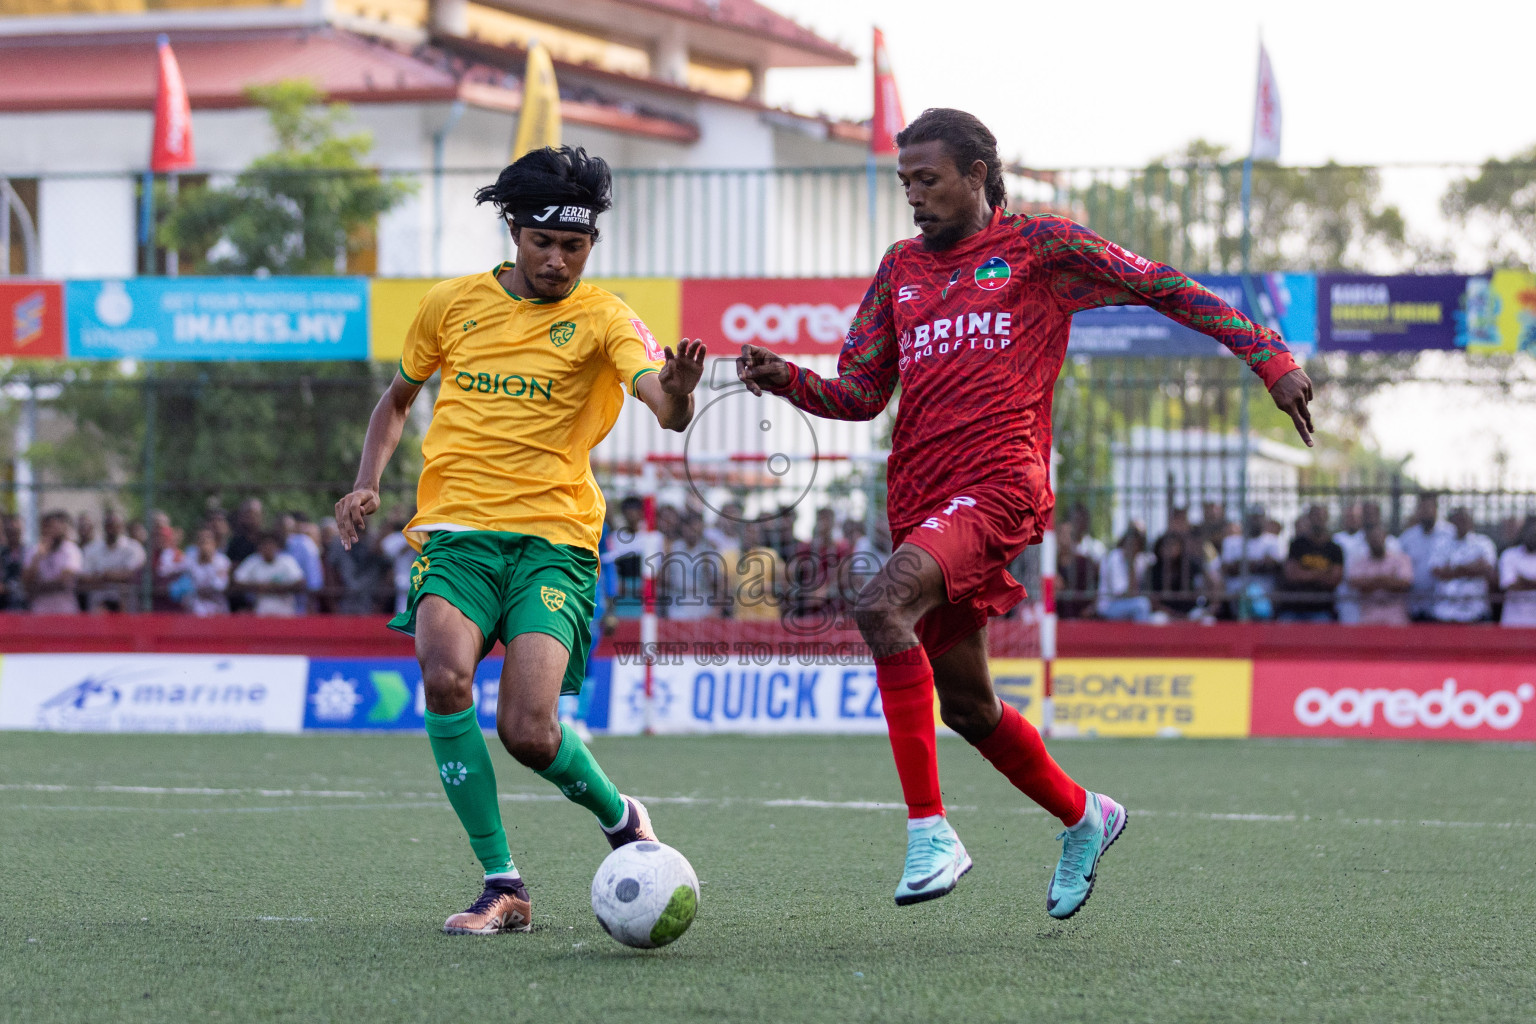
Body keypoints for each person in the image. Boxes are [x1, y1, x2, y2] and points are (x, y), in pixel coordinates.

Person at [736, 107, 1313, 917]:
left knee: (880, 603)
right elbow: (860, 395)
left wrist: (1267, 354)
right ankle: (1086, 816)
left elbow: (1162, 284)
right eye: (905, 181)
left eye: (928, 179)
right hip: (920, 502)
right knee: (968, 707)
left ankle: (930, 830)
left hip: (1001, 486)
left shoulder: (1040, 248)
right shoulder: (898, 270)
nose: (914, 196)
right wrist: (783, 377)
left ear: (977, 175)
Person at [334, 145, 705, 937]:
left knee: (528, 732)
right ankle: (503, 883)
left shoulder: (606, 316)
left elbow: (659, 403)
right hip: (459, 536)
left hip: (554, 542)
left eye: (574, 246)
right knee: (443, 678)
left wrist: (676, 393)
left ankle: (621, 815)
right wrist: (368, 479)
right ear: (514, 229)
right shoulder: (451, 304)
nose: (557, 259)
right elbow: (397, 400)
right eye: (544, 241)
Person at [1428, 508, 1498, 623]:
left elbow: (1486, 567)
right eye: (1458, 520)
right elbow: (1437, 571)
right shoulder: (1441, 543)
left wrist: (1454, 568)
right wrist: (1470, 567)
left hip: (1475, 611)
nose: (1461, 523)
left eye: (1464, 520)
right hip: (1445, 612)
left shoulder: (1483, 542)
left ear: (1471, 521)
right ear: (1452, 522)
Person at [1278, 505, 1344, 622]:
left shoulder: (1335, 549)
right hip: (1293, 608)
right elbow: (1291, 575)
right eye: (1315, 517)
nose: (1318, 520)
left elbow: (1334, 579)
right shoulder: (1297, 544)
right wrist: (1321, 574)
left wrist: (1304, 574)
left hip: (1322, 610)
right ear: (1309, 518)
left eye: (1321, 517)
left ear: (1326, 519)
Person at [1397, 491, 1452, 621]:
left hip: (1444, 604)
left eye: (1429, 508)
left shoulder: (1450, 534)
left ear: (1436, 509)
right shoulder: (1408, 537)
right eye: (1422, 508)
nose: (1425, 511)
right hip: (1415, 604)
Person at [1220, 510, 1285, 621]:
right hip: (1237, 591)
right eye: (1253, 518)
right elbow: (1228, 568)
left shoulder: (1273, 541)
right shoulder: (1231, 541)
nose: (1256, 522)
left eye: (1259, 518)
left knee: (1257, 594)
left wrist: (1243, 564)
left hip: (1266, 591)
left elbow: (1275, 566)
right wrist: (1260, 564)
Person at [80, 509, 146, 613]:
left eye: (116, 525)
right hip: (98, 603)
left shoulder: (133, 547)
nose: (112, 529)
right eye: (109, 525)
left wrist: (103, 575)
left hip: (125, 605)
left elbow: (131, 574)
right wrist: (113, 576)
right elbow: (84, 577)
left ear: (122, 527)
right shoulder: (91, 548)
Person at [1346, 524, 1413, 626]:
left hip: (1395, 615)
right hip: (1369, 614)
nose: (1376, 541)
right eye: (1372, 538)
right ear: (1367, 540)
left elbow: (1405, 583)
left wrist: (1372, 581)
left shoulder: (1400, 559)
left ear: (1385, 537)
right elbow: (1354, 583)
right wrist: (1387, 580)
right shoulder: (1360, 561)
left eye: (1378, 537)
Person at [232, 531, 306, 617]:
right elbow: (236, 581)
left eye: (271, 545)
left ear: (277, 547)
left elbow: (300, 582)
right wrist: (257, 587)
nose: (268, 548)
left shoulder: (287, 561)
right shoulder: (253, 561)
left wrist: (277, 587)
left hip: (285, 611)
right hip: (260, 611)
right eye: (264, 545)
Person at [23, 510, 83, 615]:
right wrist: (38, 558)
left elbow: (64, 582)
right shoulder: (34, 551)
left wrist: (37, 588)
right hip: (40, 612)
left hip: (66, 612)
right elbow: (26, 584)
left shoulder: (71, 550)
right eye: (46, 527)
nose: (50, 531)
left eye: (54, 527)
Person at [1097, 525, 1153, 622]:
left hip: (1127, 604)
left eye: (1136, 545)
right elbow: (1122, 593)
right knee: (1142, 605)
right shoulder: (1114, 558)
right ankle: (1141, 637)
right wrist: (1131, 565)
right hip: (1109, 605)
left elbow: (1152, 560)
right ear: (1123, 543)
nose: (1132, 548)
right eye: (1130, 544)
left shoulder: (1139, 559)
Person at [183, 526, 231, 617]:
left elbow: (220, 585)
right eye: (201, 542)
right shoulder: (189, 561)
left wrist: (210, 562)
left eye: (207, 542)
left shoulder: (222, 561)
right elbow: (186, 585)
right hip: (195, 603)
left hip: (217, 603)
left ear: (214, 543)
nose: (204, 546)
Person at [1497, 517, 1536, 627]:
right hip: (1513, 623)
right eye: (1530, 531)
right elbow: (1510, 585)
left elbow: (1519, 583)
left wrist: (1523, 579)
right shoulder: (1509, 555)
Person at [1, 513, 27, 611]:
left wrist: (7, 587)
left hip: (23, 605)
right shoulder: (2, 553)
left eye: (15, 531)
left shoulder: (29, 552)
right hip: (4, 606)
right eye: (9, 531)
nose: (12, 534)